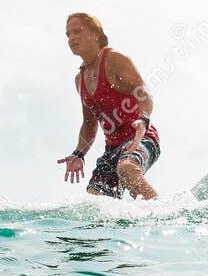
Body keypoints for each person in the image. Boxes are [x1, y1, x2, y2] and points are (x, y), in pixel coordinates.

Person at [57, 12, 160, 199]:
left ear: (96, 34)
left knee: (127, 168)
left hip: (140, 138)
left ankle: (162, 214)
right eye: (68, 34)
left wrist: (143, 120)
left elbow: (143, 93)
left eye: (77, 31)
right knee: (96, 200)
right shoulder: (79, 80)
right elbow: (89, 124)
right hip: (112, 149)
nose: (72, 38)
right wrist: (79, 153)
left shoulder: (113, 59)